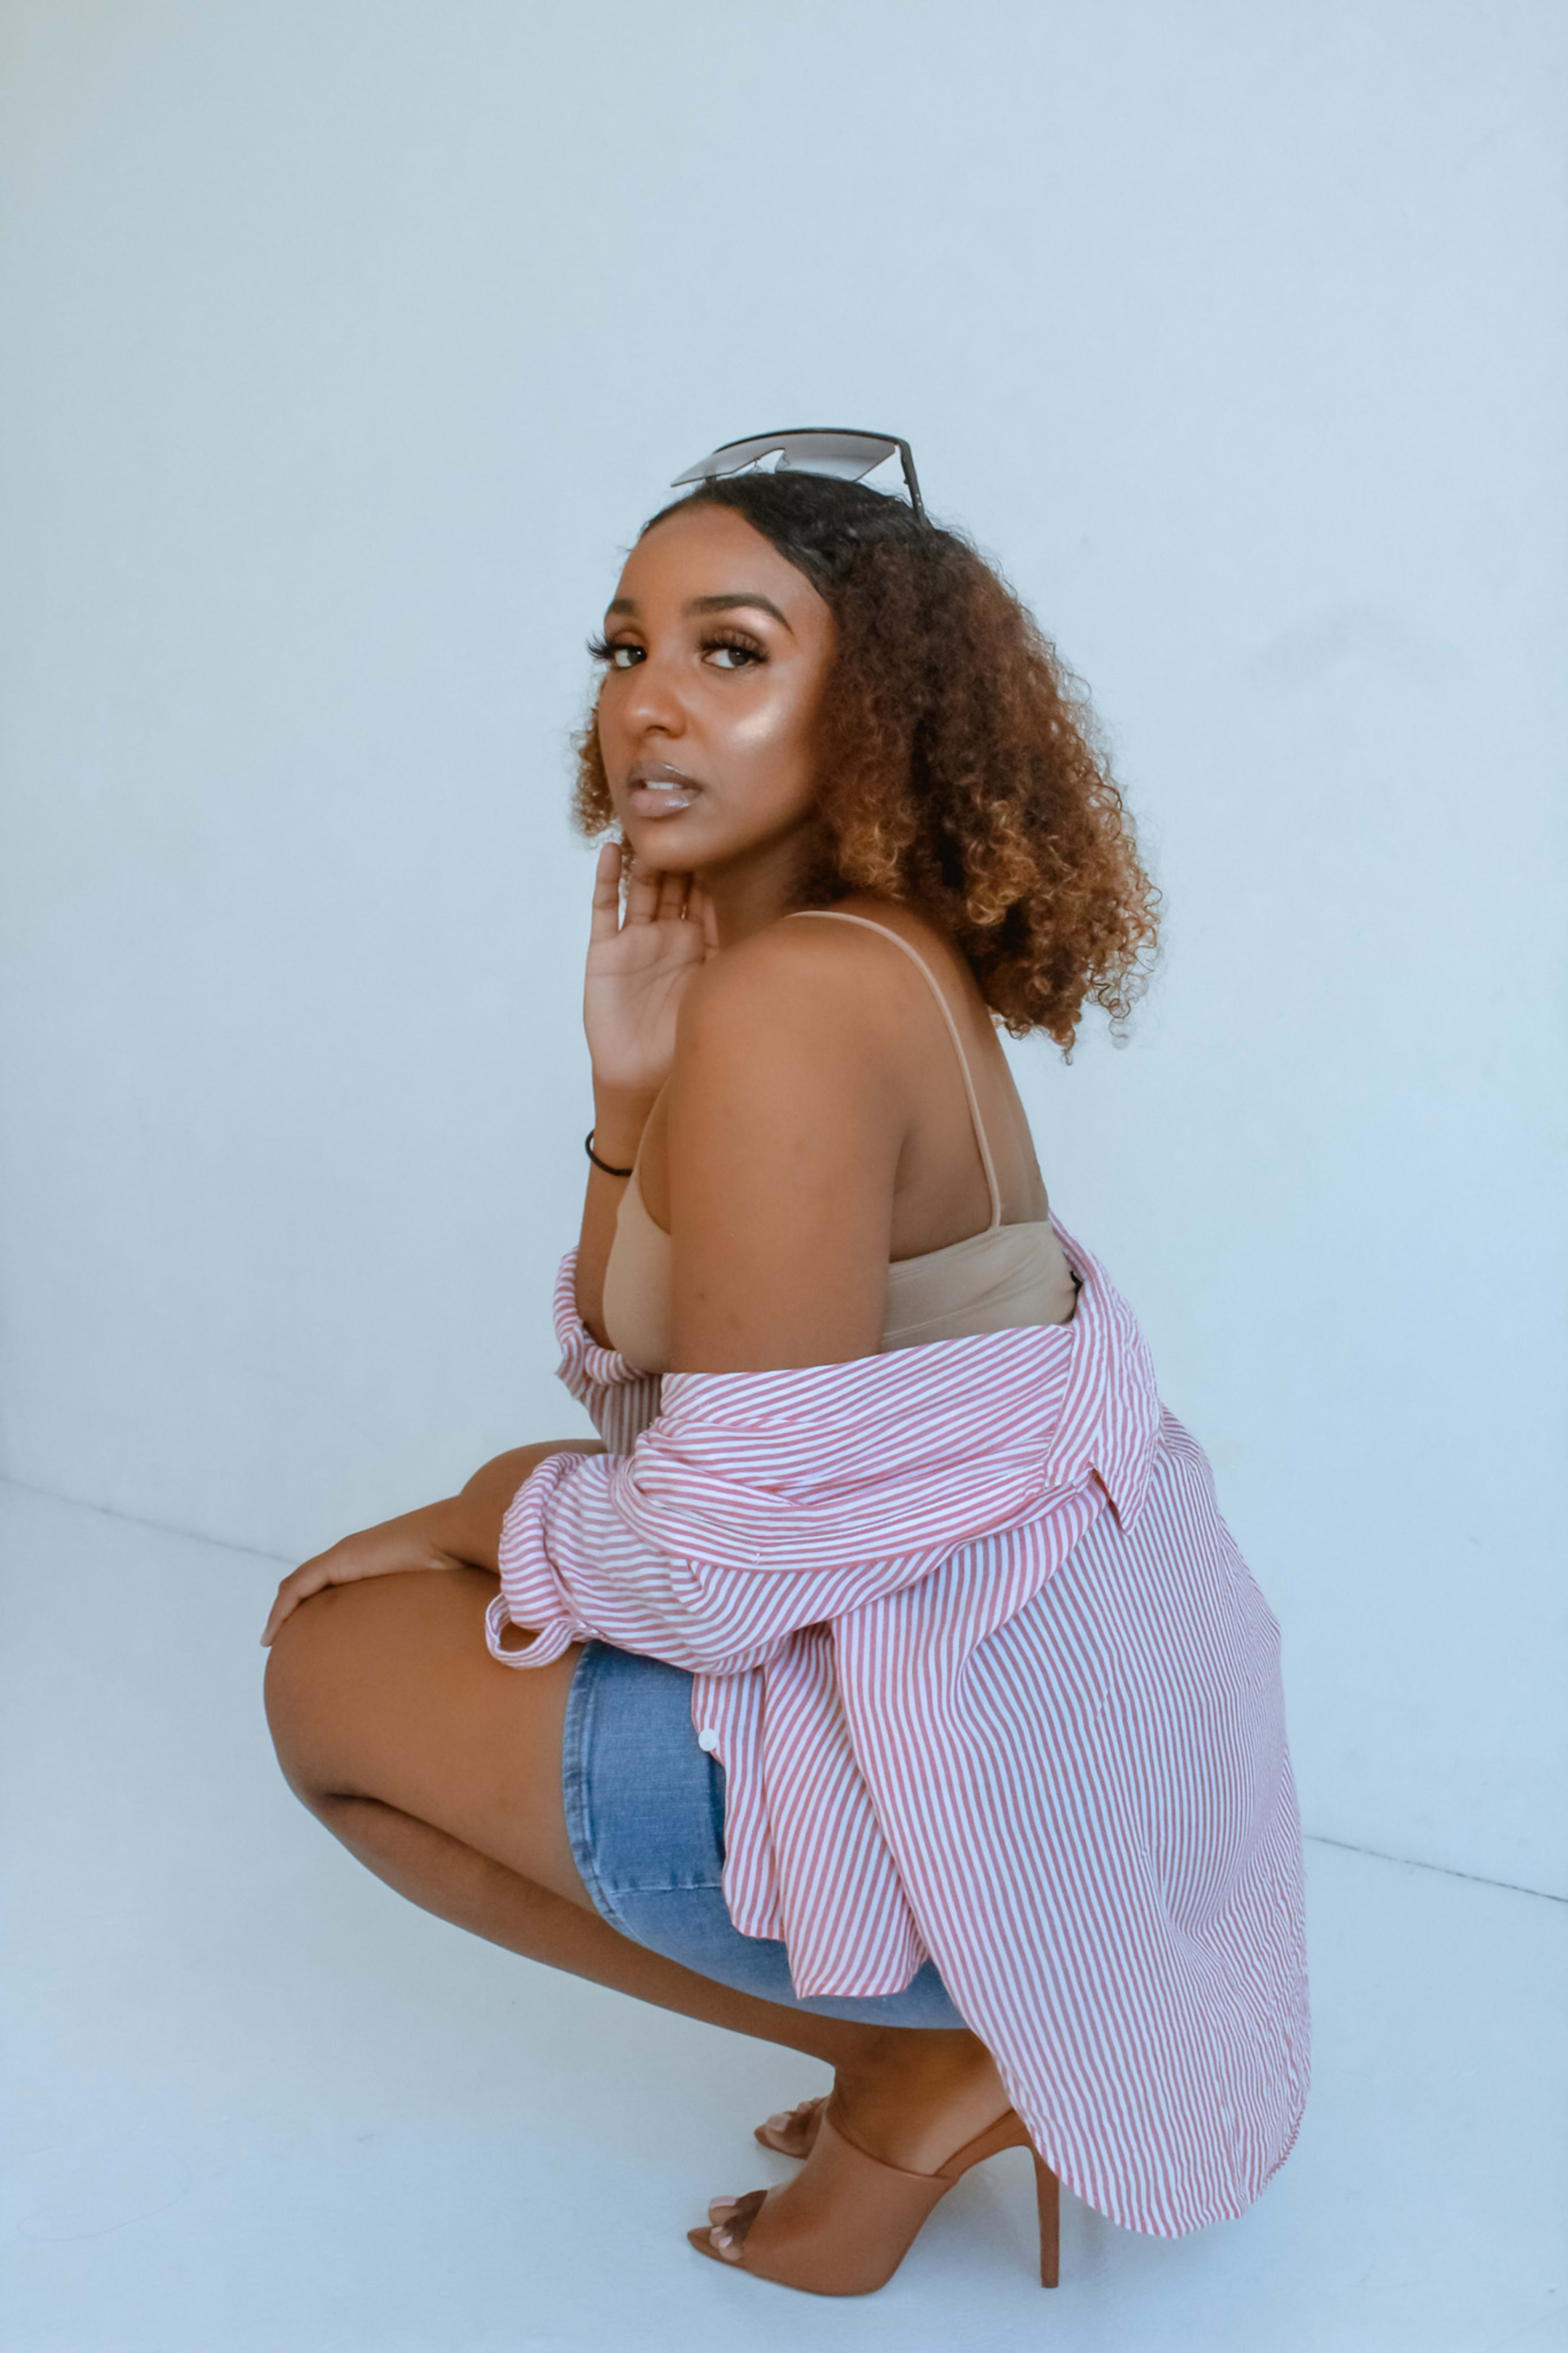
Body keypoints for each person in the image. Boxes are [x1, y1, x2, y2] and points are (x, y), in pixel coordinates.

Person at [262, 442, 1310, 2299]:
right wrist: (623, 1103)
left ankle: (921, 2055)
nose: (645, 702)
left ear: (880, 713)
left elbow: (727, 1556)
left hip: (976, 1795)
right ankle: (926, 2047)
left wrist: (474, 1515)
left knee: (327, 1680)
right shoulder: (858, 968)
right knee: (477, 1550)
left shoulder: (797, 1006)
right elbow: (646, 1370)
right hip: (1043, 1728)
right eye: (622, 646)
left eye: (732, 651)